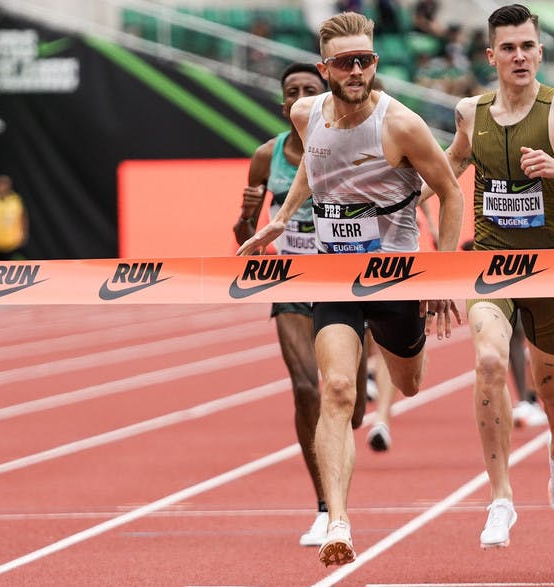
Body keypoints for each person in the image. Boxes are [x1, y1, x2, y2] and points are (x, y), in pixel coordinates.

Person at [237, 11, 464, 567]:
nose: (357, 69)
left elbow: (451, 193)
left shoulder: (401, 124)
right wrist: (283, 218)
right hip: (333, 273)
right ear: (327, 68)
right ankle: (337, 519)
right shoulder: (304, 113)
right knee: (336, 388)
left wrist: (443, 273)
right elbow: (317, 167)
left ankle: (397, 363)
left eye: (366, 60)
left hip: (396, 275)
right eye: (346, 62)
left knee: (408, 384)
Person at [425, 4, 554, 548]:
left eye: (528, 46)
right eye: (509, 47)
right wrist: (404, 198)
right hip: (490, 265)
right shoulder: (470, 111)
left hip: (551, 271)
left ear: (540, 51)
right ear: (490, 56)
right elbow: (456, 163)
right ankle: (500, 499)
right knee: (490, 361)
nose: (520, 56)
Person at [233, 62, 372, 548]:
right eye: (291, 91)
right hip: (291, 283)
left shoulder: (349, 145)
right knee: (305, 387)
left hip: (344, 281)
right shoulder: (266, 156)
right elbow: (245, 238)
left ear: (324, 97)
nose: (299, 97)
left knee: (349, 409)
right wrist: (249, 216)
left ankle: (358, 398)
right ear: (282, 103)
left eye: (308, 90)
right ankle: (323, 507)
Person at [0, 174, 29, 261]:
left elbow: (22, 218)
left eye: (3, 184)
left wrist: (23, 234)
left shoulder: (15, 201)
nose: (1, 187)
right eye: (0, 184)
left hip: (12, 243)